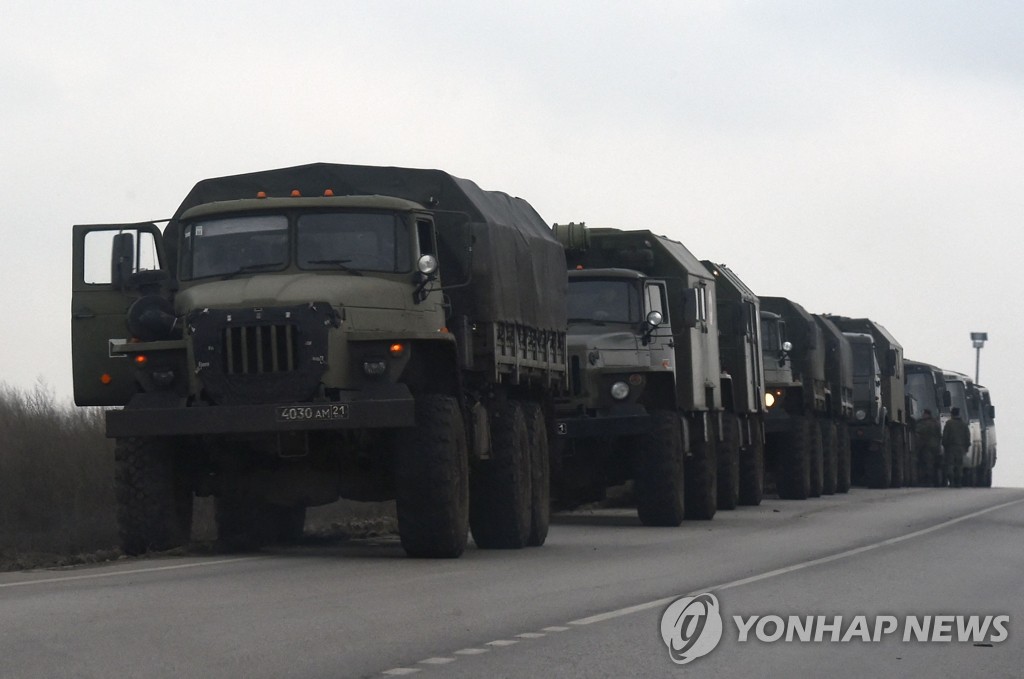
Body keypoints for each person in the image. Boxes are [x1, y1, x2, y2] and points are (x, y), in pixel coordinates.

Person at [941, 407, 970, 488]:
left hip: (951, 448)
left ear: (952, 414)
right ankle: (959, 482)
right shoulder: (963, 424)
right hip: (961, 448)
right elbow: (967, 436)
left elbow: (945, 436)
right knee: (959, 465)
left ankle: (952, 482)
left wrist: (944, 445)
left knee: (950, 465)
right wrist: (966, 447)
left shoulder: (949, 423)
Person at [914, 409, 942, 487]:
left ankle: (929, 481)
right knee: (935, 464)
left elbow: (919, 433)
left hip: (927, 446)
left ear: (926, 414)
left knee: (928, 464)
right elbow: (939, 434)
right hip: (936, 446)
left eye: (924, 414)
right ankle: (936, 481)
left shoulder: (924, 423)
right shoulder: (936, 423)